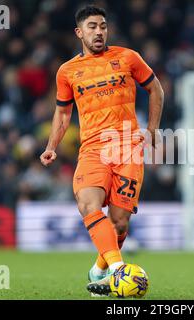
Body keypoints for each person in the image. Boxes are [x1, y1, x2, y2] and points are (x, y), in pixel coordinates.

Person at [39, 5, 164, 296]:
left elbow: (156, 88)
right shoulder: (67, 71)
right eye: (92, 26)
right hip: (93, 148)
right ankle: (119, 272)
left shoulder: (128, 57)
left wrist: (154, 128)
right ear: (79, 32)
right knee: (88, 204)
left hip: (128, 146)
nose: (99, 31)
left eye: (103, 26)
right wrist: (51, 146)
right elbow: (63, 113)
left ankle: (99, 270)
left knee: (119, 224)